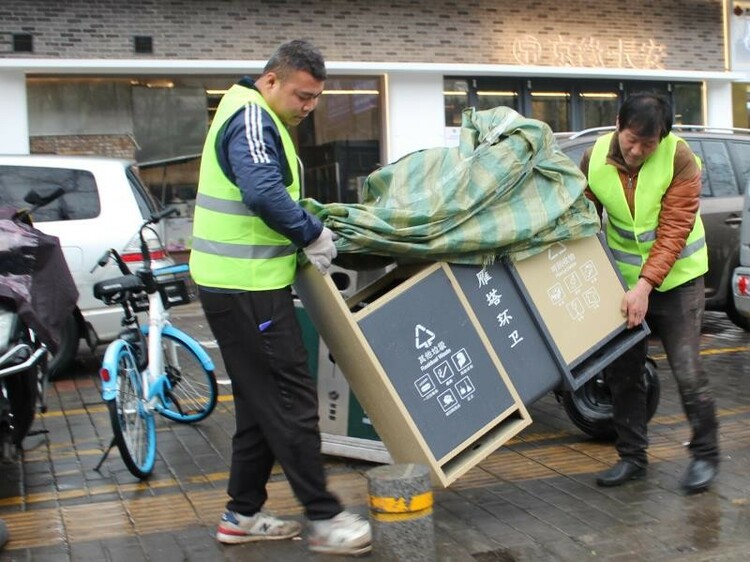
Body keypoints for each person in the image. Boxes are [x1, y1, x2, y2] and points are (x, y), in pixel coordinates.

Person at [189, 39, 371, 555]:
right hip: (247, 291)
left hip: (242, 285)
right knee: (291, 402)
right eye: (303, 95)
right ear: (271, 80)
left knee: (259, 404)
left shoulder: (250, 113)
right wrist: (310, 233)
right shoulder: (249, 117)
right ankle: (324, 517)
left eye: (316, 99)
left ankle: (241, 514)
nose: (309, 107)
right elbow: (263, 192)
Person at [579, 92, 720, 493]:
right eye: (631, 141)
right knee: (623, 374)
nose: (638, 150)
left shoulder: (679, 158)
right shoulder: (593, 159)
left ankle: (706, 456)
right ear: (618, 125)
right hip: (624, 282)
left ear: (662, 137)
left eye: (648, 143)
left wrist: (646, 285)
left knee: (688, 371)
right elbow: (584, 217)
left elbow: (676, 228)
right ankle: (632, 458)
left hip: (677, 282)